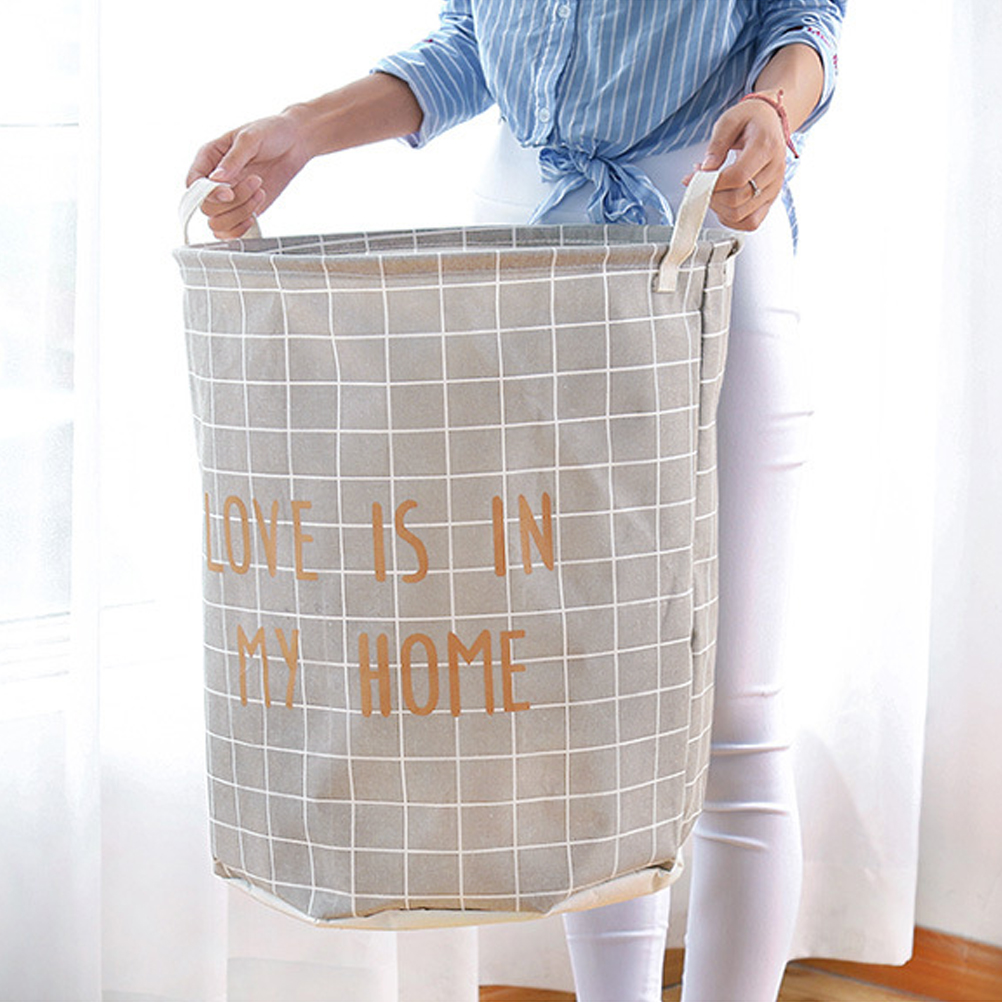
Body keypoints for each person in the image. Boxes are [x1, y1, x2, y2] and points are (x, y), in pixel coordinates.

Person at [187, 3, 845, 999]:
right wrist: (303, 131)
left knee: (732, 720)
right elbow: (470, 45)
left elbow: (805, 17)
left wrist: (774, 107)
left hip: (702, 232)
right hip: (527, 268)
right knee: (591, 718)